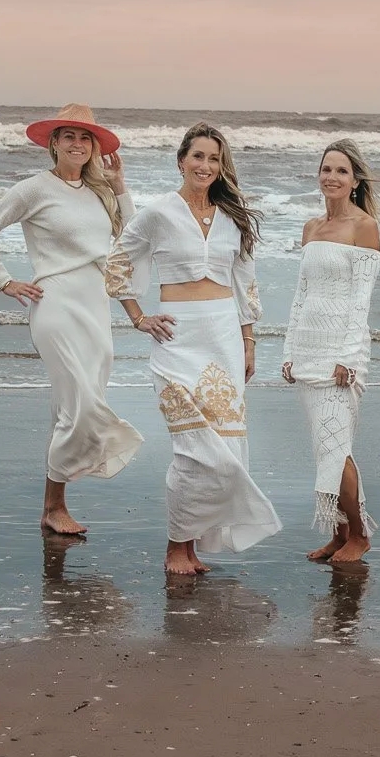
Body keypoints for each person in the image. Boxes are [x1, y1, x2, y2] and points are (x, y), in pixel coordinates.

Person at [109, 122, 282, 575]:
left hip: (223, 338)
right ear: (181, 160)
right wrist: (138, 317)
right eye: (198, 156)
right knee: (191, 450)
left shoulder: (233, 217)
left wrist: (249, 344)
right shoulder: (159, 212)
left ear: (222, 166)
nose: (205, 166)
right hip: (176, 340)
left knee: (225, 448)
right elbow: (118, 259)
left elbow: (245, 283)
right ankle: (175, 546)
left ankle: (195, 546)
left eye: (214, 158)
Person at [0, 104, 143, 536]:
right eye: (69, 136)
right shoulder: (33, 188)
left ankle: (53, 504)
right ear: (53, 143)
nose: (78, 144)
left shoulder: (98, 192)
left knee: (75, 401)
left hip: (95, 304)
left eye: (86, 138)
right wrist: (5, 281)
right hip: (56, 304)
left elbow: (131, 240)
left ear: (95, 146)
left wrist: (120, 186)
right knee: (78, 400)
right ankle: (56, 502)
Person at [280, 140, 380, 564]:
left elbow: (361, 301)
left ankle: (359, 535)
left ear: (354, 180)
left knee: (335, 445)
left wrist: (350, 357)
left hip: (343, 353)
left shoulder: (365, 226)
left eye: (341, 171)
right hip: (308, 347)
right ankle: (339, 535)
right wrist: (289, 350)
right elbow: (301, 295)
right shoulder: (310, 227)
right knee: (326, 447)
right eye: (326, 169)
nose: (332, 177)